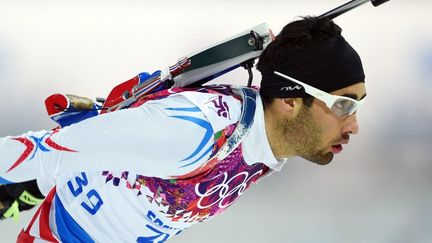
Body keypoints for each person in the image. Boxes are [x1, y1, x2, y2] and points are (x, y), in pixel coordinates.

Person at [0, 16, 366, 242]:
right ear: (289, 100)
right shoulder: (195, 132)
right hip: (59, 221)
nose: (354, 125)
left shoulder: (266, 138)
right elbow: (44, 152)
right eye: (343, 104)